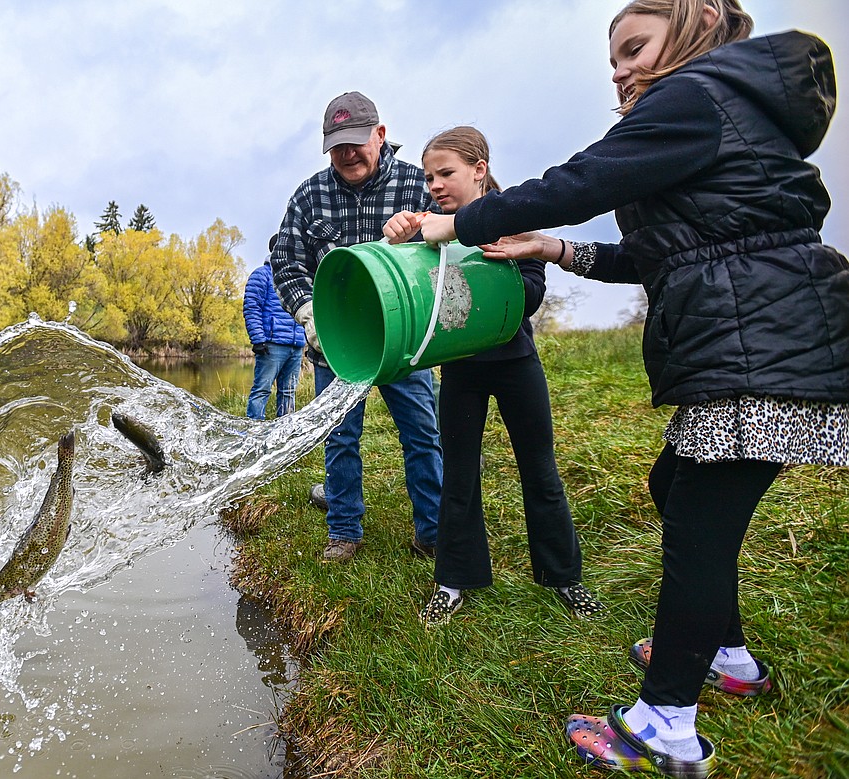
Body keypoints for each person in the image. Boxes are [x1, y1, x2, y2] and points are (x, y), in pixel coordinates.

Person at [389, 1, 848, 774]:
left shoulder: (698, 93)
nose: (621, 69)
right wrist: (558, 247)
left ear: (698, 19)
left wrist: (454, 228)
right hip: (755, 336)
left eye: (635, 46)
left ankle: (665, 722)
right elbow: (662, 248)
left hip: (757, 343)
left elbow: (586, 177)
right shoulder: (717, 108)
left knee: (697, 531)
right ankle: (725, 653)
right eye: (613, 58)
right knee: (677, 491)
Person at [383, 126, 605, 626]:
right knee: (458, 476)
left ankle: (564, 577)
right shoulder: (431, 226)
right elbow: (406, 289)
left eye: (446, 173)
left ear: (478, 170)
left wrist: (491, 249)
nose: (435, 185)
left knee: (540, 470)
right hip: (461, 368)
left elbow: (529, 297)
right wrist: (399, 237)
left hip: (515, 363)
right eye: (429, 177)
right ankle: (452, 581)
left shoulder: (512, 217)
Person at [272, 91, 443, 563]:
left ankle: (433, 531)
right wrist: (312, 320)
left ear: (380, 135)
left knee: (422, 434)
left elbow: (453, 248)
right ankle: (344, 530)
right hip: (336, 344)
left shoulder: (417, 184)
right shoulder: (309, 195)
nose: (347, 154)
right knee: (339, 435)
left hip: (405, 341)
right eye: (336, 146)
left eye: (355, 142)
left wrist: (425, 233)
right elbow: (286, 263)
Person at [242, 234, 306, 420]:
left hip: (296, 344)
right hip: (272, 344)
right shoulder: (261, 275)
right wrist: (258, 339)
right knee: (262, 389)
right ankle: (254, 430)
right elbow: (251, 308)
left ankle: (284, 432)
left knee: (288, 392)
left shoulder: (296, 277)